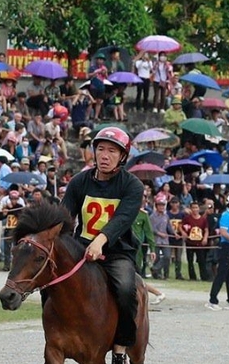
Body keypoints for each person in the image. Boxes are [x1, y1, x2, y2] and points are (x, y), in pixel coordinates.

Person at [59, 126, 145, 364]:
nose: (104, 156)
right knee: (51, 284)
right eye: (100, 149)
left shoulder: (132, 186)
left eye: (112, 151)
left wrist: (100, 241)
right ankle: (57, 333)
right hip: (81, 249)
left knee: (127, 290)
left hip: (117, 253)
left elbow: (122, 219)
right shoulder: (78, 182)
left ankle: (120, 348)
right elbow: (65, 217)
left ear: (123, 157)